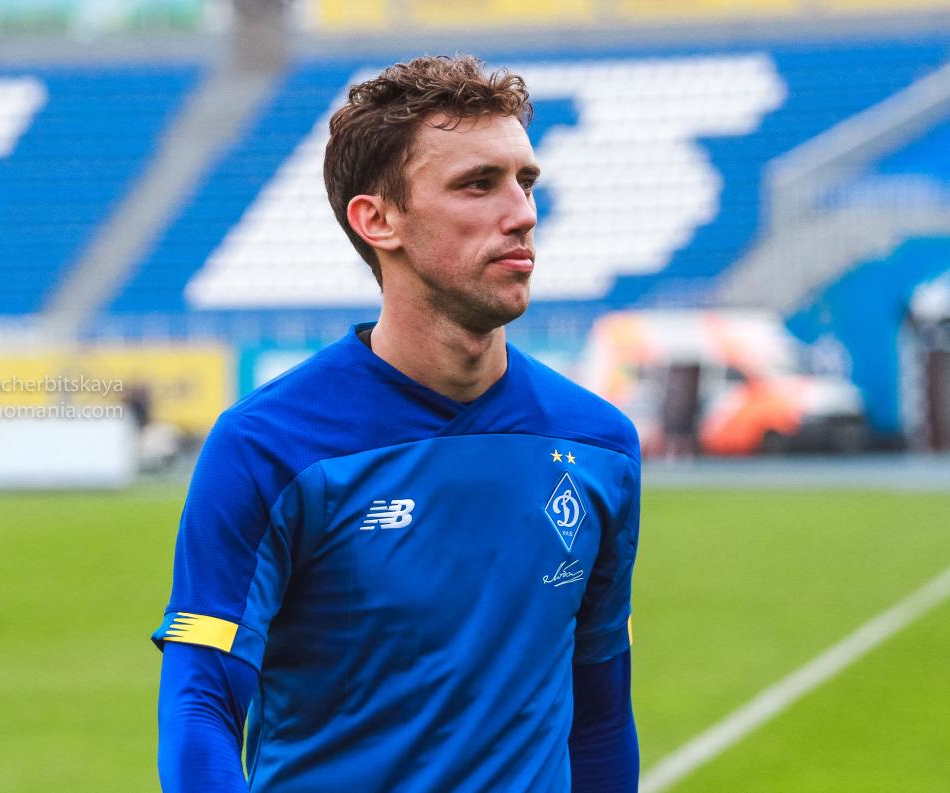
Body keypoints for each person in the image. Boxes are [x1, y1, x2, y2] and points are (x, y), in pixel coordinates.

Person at [154, 54, 642, 792]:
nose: (522, 213)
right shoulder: (268, 446)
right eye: (478, 183)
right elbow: (202, 703)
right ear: (377, 220)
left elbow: (600, 714)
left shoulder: (599, 444)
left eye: (526, 181)